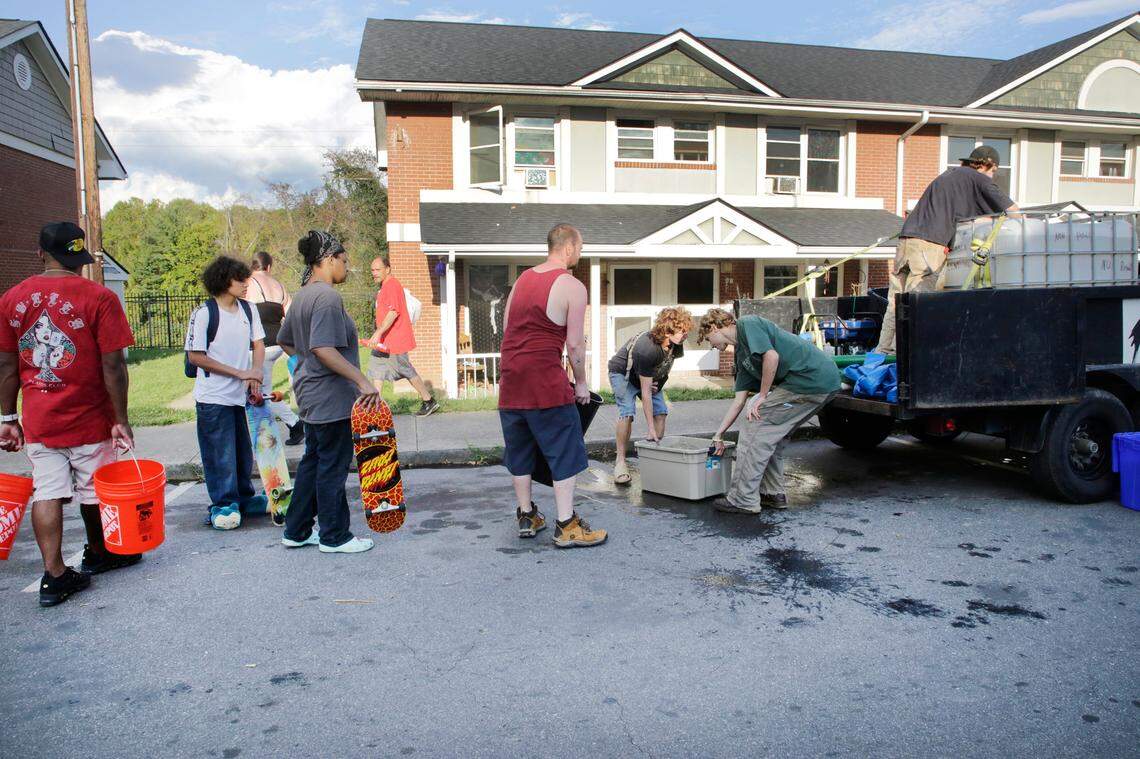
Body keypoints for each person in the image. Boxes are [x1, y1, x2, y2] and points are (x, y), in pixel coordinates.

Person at [0, 222, 136, 607]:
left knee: (47, 491)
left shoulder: (11, 299)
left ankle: (54, 575)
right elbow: (114, 366)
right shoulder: (100, 297)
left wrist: (8, 419)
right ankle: (100, 552)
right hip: (89, 416)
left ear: (40, 253)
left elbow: (7, 366)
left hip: (40, 419)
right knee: (95, 489)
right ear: (79, 258)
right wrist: (120, 418)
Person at [498, 224, 607, 548]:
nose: (581, 253)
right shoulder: (572, 286)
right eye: (581, 247)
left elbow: (507, 331)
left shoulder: (521, 282)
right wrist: (582, 384)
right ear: (570, 248)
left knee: (520, 450)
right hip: (545, 380)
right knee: (564, 448)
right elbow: (574, 345)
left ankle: (527, 514)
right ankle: (566, 524)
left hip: (511, 381)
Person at [277, 230, 379, 554]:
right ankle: (334, 536)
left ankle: (296, 530)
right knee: (332, 465)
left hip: (310, 394)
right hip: (331, 397)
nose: (347, 267)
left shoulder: (302, 295)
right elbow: (323, 347)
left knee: (312, 461)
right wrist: (362, 380)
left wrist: (303, 364)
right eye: (344, 261)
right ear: (329, 259)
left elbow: (285, 340)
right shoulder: (327, 297)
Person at [875, 145, 1020, 354]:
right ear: (988, 165)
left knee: (896, 302)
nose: (992, 176)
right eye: (994, 172)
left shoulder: (948, 177)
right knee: (919, 301)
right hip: (930, 246)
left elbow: (961, 217)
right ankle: (904, 357)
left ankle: (882, 354)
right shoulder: (978, 179)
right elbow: (1013, 212)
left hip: (906, 241)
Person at [700, 308, 840, 514]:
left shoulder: (747, 324)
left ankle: (742, 499)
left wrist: (763, 395)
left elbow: (771, 357)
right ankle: (772, 493)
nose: (710, 345)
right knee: (769, 434)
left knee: (755, 424)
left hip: (810, 379)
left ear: (714, 327)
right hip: (812, 383)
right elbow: (739, 401)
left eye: (708, 338)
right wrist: (718, 434)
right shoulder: (742, 357)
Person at [186, 256, 268, 530]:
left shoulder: (248, 310)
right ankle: (222, 504)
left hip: (238, 395)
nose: (246, 284)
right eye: (239, 280)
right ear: (223, 281)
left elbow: (258, 343)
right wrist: (240, 374)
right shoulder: (204, 313)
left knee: (242, 451)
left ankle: (243, 498)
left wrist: (256, 373)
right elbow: (197, 357)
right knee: (219, 452)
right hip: (213, 397)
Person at [607, 306, 692, 485]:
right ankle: (620, 462)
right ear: (668, 330)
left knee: (661, 412)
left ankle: (653, 457)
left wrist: (658, 384)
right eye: (681, 331)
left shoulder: (676, 344)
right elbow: (645, 393)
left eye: (686, 331)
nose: (685, 335)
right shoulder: (647, 349)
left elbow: (666, 367)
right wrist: (650, 427)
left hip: (646, 375)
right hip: (623, 374)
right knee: (627, 412)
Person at [364, 256, 439, 417]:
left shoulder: (392, 285)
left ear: (387, 269)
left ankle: (429, 401)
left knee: (405, 369)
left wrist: (378, 332)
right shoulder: (384, 287)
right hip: (384, 341)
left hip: (395, 340)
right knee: (376, 368)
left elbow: (393, 312)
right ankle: (377, 408)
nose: (374, 273)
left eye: (378, 270)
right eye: (372, 270)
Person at [248, 251, 304, 446]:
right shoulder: (279, 286)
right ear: (269, 267)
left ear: (252, 267)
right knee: (259, 391)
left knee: (258, 393)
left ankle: (293, 424)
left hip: (257, 347)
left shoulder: (249, 284)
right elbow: (290, 318)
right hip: (278, 343)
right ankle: (293, 425)